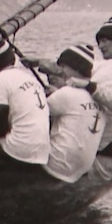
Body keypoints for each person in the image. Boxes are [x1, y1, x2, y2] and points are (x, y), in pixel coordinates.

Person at [0, 34, 51, 165]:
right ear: (13, 59)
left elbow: (0, 120)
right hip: (43, 150)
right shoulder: (29, 77)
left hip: (19, 149)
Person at [43, 44, 105, 182]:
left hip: (56, 166)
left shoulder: (67, 94)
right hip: (79, 171)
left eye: (64, 66)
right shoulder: (100, 98)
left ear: (77, 69)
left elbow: (32, 113)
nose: (60, 70)